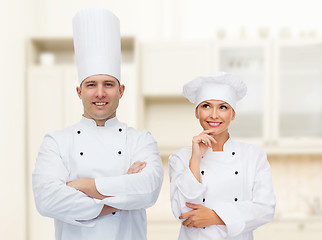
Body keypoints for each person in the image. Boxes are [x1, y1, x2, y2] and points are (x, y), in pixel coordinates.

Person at [32, 8, 163, 240]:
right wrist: (122, 196)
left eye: (108, 84)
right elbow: (47, 200)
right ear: (79, 91)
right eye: (91, 84)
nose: (100, 93)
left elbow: (148, 190)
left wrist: (81, 185)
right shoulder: (57, 141)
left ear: (121, 91)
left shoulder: (141, 139)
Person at [169, 72, 275, 240]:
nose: (214, 115)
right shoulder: (180, 158)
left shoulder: (254, 156)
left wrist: (215, 217)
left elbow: (265, 208)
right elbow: (184, 213)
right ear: (196, 112)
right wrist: (195, 159)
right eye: (206, 106)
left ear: (233, 114)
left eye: (223, 107)